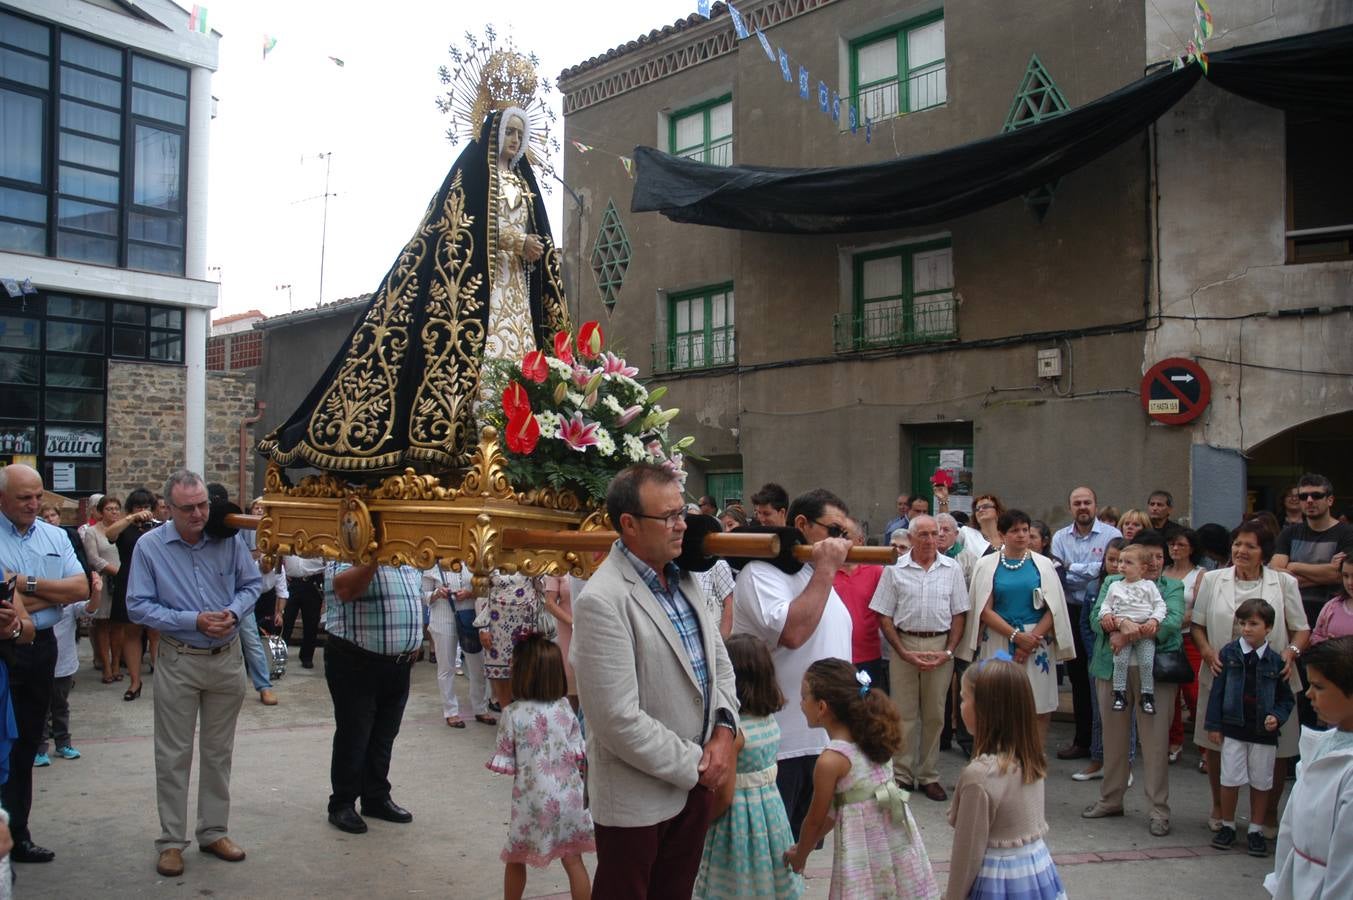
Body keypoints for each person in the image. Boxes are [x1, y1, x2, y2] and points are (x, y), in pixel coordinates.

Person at [258, 102, 569, 475]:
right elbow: (457, 227)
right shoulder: (473, 173)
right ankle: (470, 447)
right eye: (510, 133)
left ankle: (519, 452)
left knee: (521, 360)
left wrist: (533, 248)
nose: (515, 141)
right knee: (483, 359)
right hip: (478, 289)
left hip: (515, 288)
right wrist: (516, 242)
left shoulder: (524, 182)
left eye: (521, 135)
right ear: (494, 134)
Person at [571, 463, 738, 898]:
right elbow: (616, 719)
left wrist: (724, 731)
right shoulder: (603, 600)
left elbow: (719, 663)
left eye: (682, 512)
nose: (682, 525)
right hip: (638, 798)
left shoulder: (686, 580)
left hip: (694, 787)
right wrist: (696, 766)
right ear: (628, 524)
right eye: (669, 517)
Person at [125, 469, 260, 877]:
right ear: (168, 508)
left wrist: (233, 613)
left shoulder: (228, 538)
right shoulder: (150, 547)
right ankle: (170, 841)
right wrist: (192, 620)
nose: (200, 513)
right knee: (173, 754)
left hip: (226, 656)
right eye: (189, 508)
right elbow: (137, 605)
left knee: (218, 752)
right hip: (179, 657)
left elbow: (251, 585)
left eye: (203, 504)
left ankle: (213, 831)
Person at [733, 488, 852, 841]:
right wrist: (827, 568)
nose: (841, 543)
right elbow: (794, 633)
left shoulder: (817, 575)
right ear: (801, 524)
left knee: (802, 847)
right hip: (780, 747)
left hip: (823, 743)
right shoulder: (761, 573)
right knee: (771, 850)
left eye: (845, 535)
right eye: (833, 532)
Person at [782, 658, 939, 899]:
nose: (801, 704)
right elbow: (831, 815)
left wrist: (800, 854)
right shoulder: (874, 735)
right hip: (898, 845)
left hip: (864, 855)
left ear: (822, 707)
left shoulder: (831, 760)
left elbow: (816, 818)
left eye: (804, 697)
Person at [1191, 521, 1309, 836]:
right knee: (1216, 743)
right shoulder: (1213, 579)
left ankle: (1267, 815)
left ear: (1264, 553)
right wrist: (1206, 651)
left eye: (1250, 546)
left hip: (1273, 675)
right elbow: (1197, 625)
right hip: (1222, 676)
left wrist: (1291, 653)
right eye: (1238, 544)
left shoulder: (1283, 583)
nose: (1241, 551)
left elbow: (1301, 628)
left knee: (1277, 748)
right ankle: (1220, 807)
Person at [0, 464, 88, 864]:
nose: (34, 504)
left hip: (40, 651)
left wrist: (21, 585)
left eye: (38, 497)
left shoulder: (56, 535)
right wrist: (54, 595)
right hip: (4, 652)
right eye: (24, 498)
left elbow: (81, 587)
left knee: (26, 744)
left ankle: (17, 833)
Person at [1083, 530, 1186, 837]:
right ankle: (1110, 799)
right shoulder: (1112, 582)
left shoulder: (1172, 587)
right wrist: (1122, 624)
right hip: (1111, 667)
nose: (1153, 562)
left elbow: (1170, 623)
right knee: (1113, 738)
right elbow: (1094, 619)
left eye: (1158, 556)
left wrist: (1126, 632)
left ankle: (1158, 809)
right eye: (1147, 555)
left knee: (1154, 743)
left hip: (1154, 673)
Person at [947, 657, 1068, 900]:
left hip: (997, 882)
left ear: (985, 708)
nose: (960, 707)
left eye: (963, 698)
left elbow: (967, 852)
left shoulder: (979, 777)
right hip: (1036, 873)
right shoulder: (1030, 757)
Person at [695, 634, 805, 900]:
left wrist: (701, 822)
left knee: (736, 885)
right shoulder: (768, 721)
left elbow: (724, 795)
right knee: (766, 881)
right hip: (770, 817)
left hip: (737, 824)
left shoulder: (734, 734)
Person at [486, 634, 593, 900]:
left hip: (532, 802)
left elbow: (506, 761)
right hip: (570, 799)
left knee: (516, 857)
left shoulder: (513, 714)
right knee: (573, 860)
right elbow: (579, 752)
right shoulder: (565, 708)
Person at [869, 515, 968, 800]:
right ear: (911, 539)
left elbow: (960, 613)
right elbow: (883, 614)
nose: (929, 540)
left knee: (936, 714)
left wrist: (949, 651)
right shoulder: (894, 570)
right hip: (905, 642)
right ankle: (902, 774)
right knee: (904, 713)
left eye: (933, 534)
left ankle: (928, 775)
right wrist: (900, 650)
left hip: (939, 643)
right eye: (922, 534)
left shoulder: (952, 569)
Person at [322, 561, 423, 835]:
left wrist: (412, 641)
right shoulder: (347, 549)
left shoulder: (407, 559)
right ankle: (342, 802)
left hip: (398, 664)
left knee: (384, 734)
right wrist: (375, 557)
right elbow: (342, 589)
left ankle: (375, 796)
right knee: (354, 735)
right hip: (355, 658)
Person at [959, 510, 1074, 750]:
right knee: (998, 703)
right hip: (999, 638)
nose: (1022, 536)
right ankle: (998, 756)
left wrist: (1030, 639)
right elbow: (983, 608)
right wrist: (1015, 636)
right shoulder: (986, 564)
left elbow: (1054, 608)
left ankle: (1035, 756)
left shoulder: (1043, 565)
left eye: (1025, 530)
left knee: (1038, 705)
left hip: (1036, 642)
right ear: (1001, 535)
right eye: (1015, 531)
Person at [1204, 598, 1295, 857]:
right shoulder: (1229, 654)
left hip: (1262, 733)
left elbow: (1285, 698)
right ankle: (1228, 825)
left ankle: (1255, 829)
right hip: (1234, 728)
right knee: (1230, 778)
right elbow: (1217, 693)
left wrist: (1276, 716)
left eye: (1253, 623)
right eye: (1242, 623)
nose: (1246, 629)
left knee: (1261, 781)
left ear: (1268, 627)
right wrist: (1214, 725)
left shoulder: (1275, 661)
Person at [1264, 636, 1353, 899]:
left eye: (1319, 686)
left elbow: (1346, 863)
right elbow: (1291, 828)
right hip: (1297, 877)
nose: (1309, 694)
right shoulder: (1322, 744)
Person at [1051, 486, 1121, 762]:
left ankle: (1107, 744)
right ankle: (1082, 741)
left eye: (1087, 502)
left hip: (1102, 609)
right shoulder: (1059, 537)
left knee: (1103, 679)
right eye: (1077, 503)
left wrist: (1073, 568)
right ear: (1070, 507)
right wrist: (1084, 569)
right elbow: (1059, 575)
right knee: (1078, 679)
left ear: (1095, 505)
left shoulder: (1112, 535)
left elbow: (1107, 571)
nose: (1083, 507)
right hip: (1070, 610)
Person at [1071, 537, 1128, 782]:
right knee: (1099, 713)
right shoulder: (1095, 587)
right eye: (1111, 559)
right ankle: (1097, 760)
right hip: (1099, 656)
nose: (1116, 565)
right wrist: (1094, 650)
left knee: (1125, 714)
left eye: (1121, 560)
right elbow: (1087, 623)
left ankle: (1125, 765)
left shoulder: (1137, 588)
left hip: (1126, 656)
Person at [1271, 473, 1353, 637]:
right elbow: (1276, 573)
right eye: (1303, 496)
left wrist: (1294, 566)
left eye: (1316, 495)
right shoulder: (1289, 533)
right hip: (1293, 618)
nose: (1309, 500)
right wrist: (1326, 571)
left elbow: (1339, 575)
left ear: (1330, 500)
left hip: (1334, 619)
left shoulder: (1347, 533)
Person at [1101, 545, 1168, 715]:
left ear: (1143, 568)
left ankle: (1147, 695)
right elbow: (1105, 605)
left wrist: (1154, 619)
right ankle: (1119, 693)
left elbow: (1160, 605)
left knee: (1146, 662)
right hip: (1122, 630)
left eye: (1128, 562)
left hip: (1145, 631)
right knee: (1120, 661)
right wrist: (1107, 614)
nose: (1122, 565)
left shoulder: (1149, 586)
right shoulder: (1114, 586)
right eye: (1120, 561)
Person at [422, 566, 492, 728]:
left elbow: (486, 589)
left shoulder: (472, 561)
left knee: (478, 665)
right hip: (442, 617)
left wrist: (470, 593)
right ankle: (451, 711)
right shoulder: (433, 565)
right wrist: (437, 593)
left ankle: (480, 708)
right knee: (447, 667)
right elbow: (421, 595)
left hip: (470, 618)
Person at [35, 587, 96, 766]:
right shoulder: (39, 606)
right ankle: (40, 748)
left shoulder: (70, 607)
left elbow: (90, 608)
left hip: (64, 667)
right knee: (41, 709)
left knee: (61, 706)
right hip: (41, 666)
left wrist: (97, 590)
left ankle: (63, 743)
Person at [111, 489, 160, 701]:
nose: (143, 511)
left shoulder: (158, 527)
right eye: (139, 507)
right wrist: (130, 518)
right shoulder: (125, 528)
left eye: (147, 507)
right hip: (129, 582)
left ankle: (160, 679)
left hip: (155, 584)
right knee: (131, 633)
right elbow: (109, 534)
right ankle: (134, 682)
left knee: (156, 632)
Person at [1165, 528, 1207, 760]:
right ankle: (1174, 742)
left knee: (1194, 694)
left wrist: (1169, 622)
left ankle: (1204, 748)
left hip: (1190, 638)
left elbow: (1199, 609)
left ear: (1191, 548)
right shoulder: (1163, 572)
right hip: (1166, 640)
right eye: (1172, 544)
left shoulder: (1201, 574)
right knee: (1169, 694)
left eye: (1181, 544)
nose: (1175, 549)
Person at [477, 572, 546, 711]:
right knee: (501, 676)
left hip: (526, 623)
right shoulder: (490, 557)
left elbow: (543, 589)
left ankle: (525, 720)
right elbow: (482, 594)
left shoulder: (529, 556)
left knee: (528, 672)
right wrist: (482, 627)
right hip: (497, 624)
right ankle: (506, 719)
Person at [834, 517, 886, 694]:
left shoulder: (876, 571)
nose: (840, 541)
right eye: (836, 535)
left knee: (867, 707)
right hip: (835, 653)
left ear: (860, 540)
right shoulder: (825, 571)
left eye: (845, 535)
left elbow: (884, 614)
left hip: (868, 655)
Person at [81, 495, 127, 682]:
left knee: (119, 625)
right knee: (102, 624)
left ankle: (116, 664)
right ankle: (105, 666)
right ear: (101, 512)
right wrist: (115, 571)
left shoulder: (123, 530)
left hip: (122, 581)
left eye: (116, 508)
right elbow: (93, 558)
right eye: (109, 509)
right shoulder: (92, 532)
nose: (114, 512)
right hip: (104, 580)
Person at [282, 554, 324, 669]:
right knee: (285, 620)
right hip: (291, 581)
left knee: (311, 622)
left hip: (313, 580)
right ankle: (280, 654)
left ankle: (307, 656)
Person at [1310, 555, 1353, 645]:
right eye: (1345, 576)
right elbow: (1315, 636)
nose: (1350, 582)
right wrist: (1326, 644)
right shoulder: (1332, 606)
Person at [962, 494, 1004, 558]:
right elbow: (945, 525)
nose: (980, 510)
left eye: (985, 506)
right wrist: (943, 502)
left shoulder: (1009, 537)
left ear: (997, 511)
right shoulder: (966, 532)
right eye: (977, 509)